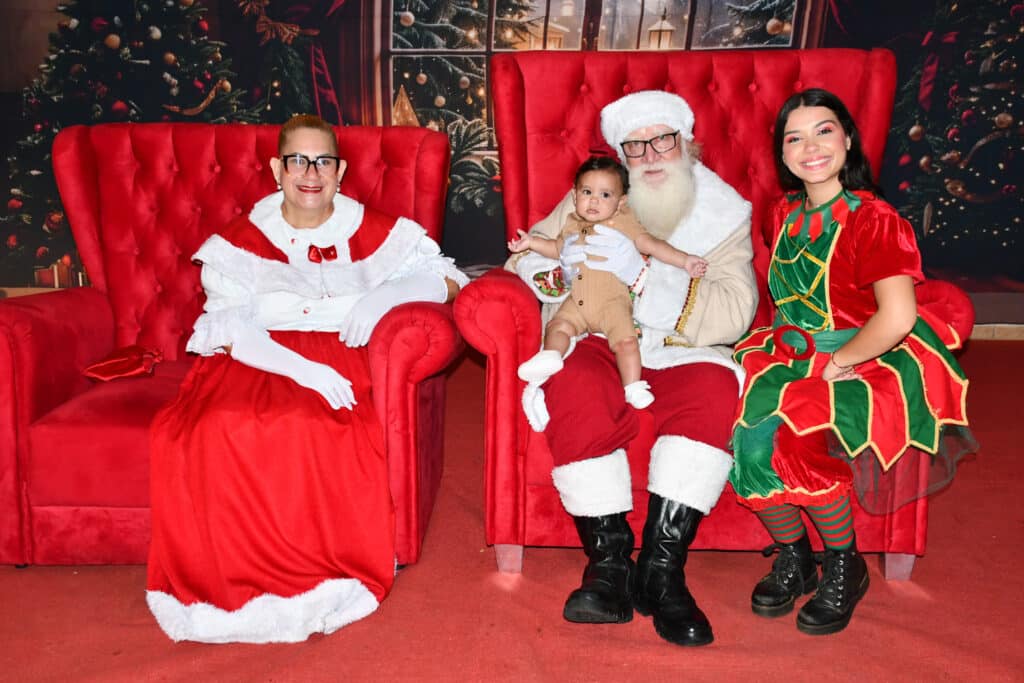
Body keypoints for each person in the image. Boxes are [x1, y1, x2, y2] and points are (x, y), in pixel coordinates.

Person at [145, 114, 468, 643]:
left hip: (346, 356)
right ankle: (232, 586)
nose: (311, 174)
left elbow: (449, 279)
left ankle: (316, 578)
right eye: (298, 161)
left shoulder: (376, 230)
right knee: (219, 427)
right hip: (258, 356)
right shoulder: (242, 240)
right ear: (277, 169)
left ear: (340, 171)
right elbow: (228, 325)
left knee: (326, 431)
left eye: (323, 162)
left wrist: (386, 297)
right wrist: (304, 371)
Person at [507, 90, 757, 647]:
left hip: (681, 344)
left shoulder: (723, 212)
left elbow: (737, 309)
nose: (650, 155)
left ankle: (662, 571)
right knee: (571, 381)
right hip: (597, 333)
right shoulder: (595, 196)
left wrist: (644, 278)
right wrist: (563, 272)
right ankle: (610, 564)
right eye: (635, 146)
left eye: (662, 140)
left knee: (715, 388)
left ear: (686, 143)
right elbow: (525, 259)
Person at [729, 89, 976, 636]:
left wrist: (839, 360)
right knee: (747, 450)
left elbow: (898, 316)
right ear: (782, 153)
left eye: (823, 131)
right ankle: (796, 557)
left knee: (795, 445)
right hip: (786, 352)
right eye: (794, 138)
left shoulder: (875, 219)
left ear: (847, 138)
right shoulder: (781, 212)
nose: (810, 147)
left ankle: (845, 563)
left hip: (859, 354)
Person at [509, 155, 708, 409]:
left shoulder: (624, 222)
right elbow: (556, 248)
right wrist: (531, 243)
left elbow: (652, 245)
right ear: (575, 196)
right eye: (587, 192)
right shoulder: (572, 223)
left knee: (626, 342)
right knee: (557, 325)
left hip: (613, 302)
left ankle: (633, 386)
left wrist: (684, 260)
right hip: (578, 301)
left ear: (620, 202)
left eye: (605, 195)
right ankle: (550, 355)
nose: (594, 200)